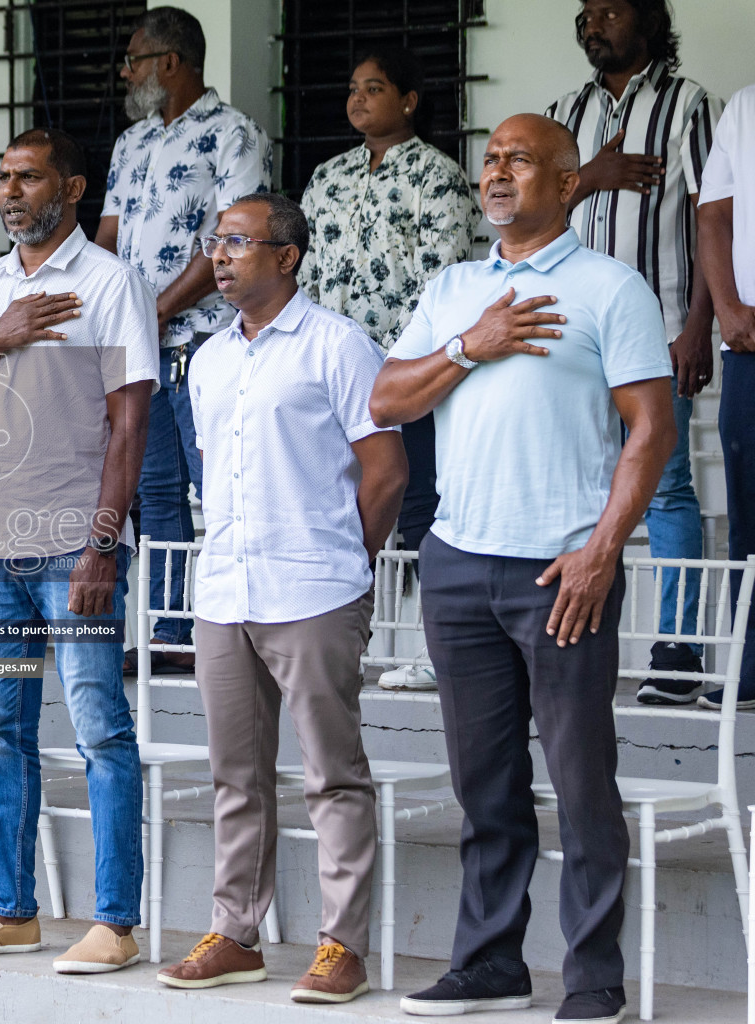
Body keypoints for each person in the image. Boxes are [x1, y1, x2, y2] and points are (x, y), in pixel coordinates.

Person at [371, 114, 675, 1024]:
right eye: (491, 159)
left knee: (583, 784)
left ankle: (592, 981)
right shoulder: (455, 286)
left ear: (569, 182)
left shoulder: (610, 289)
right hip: (459, 564)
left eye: (521, 160)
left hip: (561, 572)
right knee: (485, 784)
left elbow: (651, 432)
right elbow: (387, 396)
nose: (497, 173)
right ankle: (490, 964)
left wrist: (600, 552)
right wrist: (473, 344)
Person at [156, 195, 407, 1003]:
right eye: (215, 242)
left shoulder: (339, 346)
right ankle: (236, 933)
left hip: (315, 590)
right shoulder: (208, 359)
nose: (219, 256)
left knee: (332, 774)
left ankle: (344, 947)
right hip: (226, 589)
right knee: (236, 774)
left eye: (237, 242)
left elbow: (387, 471)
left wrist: (345, 562)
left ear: (288, 255)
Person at [0, 129, 156, 972]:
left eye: (28, 177)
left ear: (74, 187)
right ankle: (10, 912)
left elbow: (132, 421)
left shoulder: (111, 282)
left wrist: (103, 544)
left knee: (99, 727)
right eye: (4, 178)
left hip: (70, 548)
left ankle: (115, 923)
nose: (10, 191)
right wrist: (5, 330)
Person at [546, 0, 723, 704]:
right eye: (585, 13)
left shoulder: (690, 103)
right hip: (568, 338)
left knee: (668, 490)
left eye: (611, 11)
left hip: (658, 330)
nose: (593, 23)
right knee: (577, 490)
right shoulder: (562, 111)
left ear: (648, 22)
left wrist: (697, 326)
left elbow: (718, 215)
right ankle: (570, 642)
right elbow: (529, 207)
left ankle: (676, 652)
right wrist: (587, 178)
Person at [298, 48, 478, 692]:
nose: (357, 99)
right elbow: (307, 276)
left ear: (408, 100)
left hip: (409, 372)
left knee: (424, 504)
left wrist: (400, 361)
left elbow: (444, 281)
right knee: (336, 501)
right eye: (352, 88)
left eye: (374, 87)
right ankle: (335, 637)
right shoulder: (327, 177)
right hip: (334, 373)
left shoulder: (439, 176)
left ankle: (439, 649)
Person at [97, 7, 270, 674]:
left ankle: (238, 630)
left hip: (207, 340)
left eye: (134, 58)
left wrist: (157, 309)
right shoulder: (131, 142)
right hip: (138, 346)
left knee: (219, 489)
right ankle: (172, 633)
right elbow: (108, 239)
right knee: (155, 493)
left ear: (170, 63)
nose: (125, 70)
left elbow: (232, 239)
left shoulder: (234, 134)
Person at [697, 81, 755, 710]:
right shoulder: (746, 107)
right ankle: (753, 664)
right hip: (752, 343)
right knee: (751, 513)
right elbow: (713, 214)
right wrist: (729, 313)